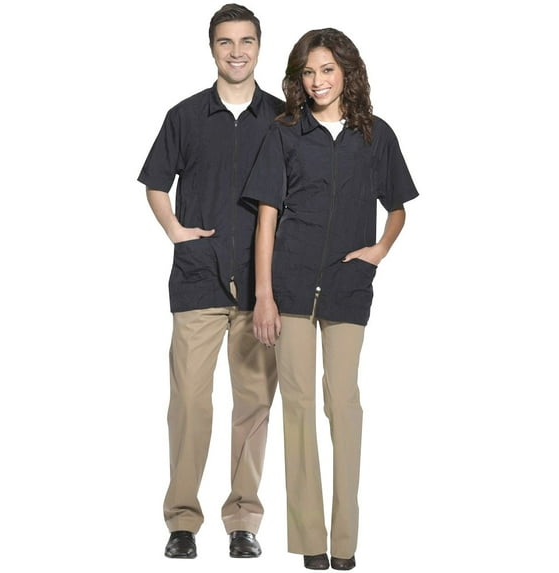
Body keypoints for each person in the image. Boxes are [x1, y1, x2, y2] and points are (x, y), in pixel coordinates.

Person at [243, 28, 419, 570]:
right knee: (297, 407)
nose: (317, 81)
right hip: (291, 286)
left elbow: (398, 205)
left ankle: (345, 542)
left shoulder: (376, 135)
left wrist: (379, 250)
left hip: (348, 286)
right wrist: (264, 294)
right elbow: (267, 217)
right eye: (308, 72)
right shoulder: (284, 134)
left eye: (327, 70)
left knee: (343, 404)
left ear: (347, 72)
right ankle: (311, 541)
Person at [137, 4, 283, 560]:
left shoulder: (284, 119)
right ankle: (182, 520)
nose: (237, 52)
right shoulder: (184, 116)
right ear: (212, 49)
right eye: (226, 42)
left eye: (246, 41)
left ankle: (244, 519)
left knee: (253, 404)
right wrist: (176, 231)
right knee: (190, 403)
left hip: (262, 289)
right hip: (198, 281)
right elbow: (156, 183)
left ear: (259, 47)